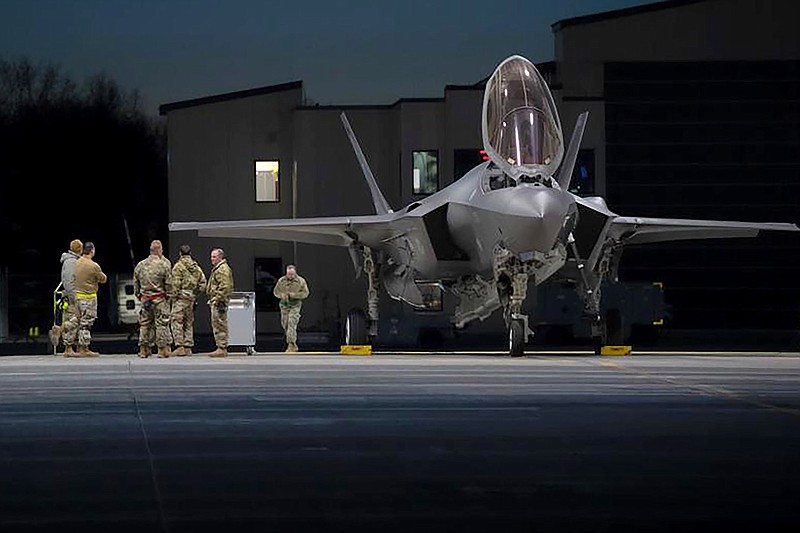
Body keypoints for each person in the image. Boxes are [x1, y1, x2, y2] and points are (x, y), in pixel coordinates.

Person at [64, 241, 107, 357]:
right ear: (92, 250)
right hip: (88, 298)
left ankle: (68, 345)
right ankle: (84, 348)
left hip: (77, 297)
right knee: (86, 324)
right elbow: (103, 279)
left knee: (75, 321)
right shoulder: (93, 265)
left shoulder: (76, 263)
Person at [134, 240, 173, 358]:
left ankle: (143, 349)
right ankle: (162, 350)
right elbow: (169, 284)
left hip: (145, 299)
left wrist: (139, 295)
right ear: (159, 250)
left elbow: (136, 283)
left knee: (145, 324)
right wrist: (168, 296)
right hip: (160, 299)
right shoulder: (164, 265)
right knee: (161, 324)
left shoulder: (140, 265)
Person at [169, 244, 206, 356]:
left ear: (180, 253)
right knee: (188, 322)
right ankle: (188, 347)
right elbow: (203, 284)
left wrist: (174, 297)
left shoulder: (178, 267)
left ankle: (180, 347)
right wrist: (195, 293)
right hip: (191, 299)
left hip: (180, 299)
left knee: (177, 321)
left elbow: (175, 286)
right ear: (190, 253)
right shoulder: (196, 268)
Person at [50, 239, 82, 355]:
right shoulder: (71, 262)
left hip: (72, 294)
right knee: (73, 319)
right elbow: (69, 282)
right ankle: (68, 348)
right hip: (72, 296)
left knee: (76, 320)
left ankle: (76, 347)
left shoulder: (72, 261)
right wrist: (74, 297)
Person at [273, 264, 310, 353]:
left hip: (295, 305)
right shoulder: (281, 281)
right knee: (285, 323)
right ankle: (293, 343)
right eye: (289, 274)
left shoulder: (301, 281)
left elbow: (306, 293)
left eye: (292, 274)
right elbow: (276, 291)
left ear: (295, 273)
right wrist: (281, 295)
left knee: (291, 323)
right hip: (284, 305)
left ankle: (291, 344)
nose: (291, 276)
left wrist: (295, 295)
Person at [206, 248, 233, 357]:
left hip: (219, 302)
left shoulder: (222, 270)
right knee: (217, 323)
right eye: (211, 256)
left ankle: (222, 347)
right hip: (217, 300)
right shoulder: (219, 268)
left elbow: (225, 287)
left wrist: (217, 299)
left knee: (219, 324)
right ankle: (220, 347)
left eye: (214, 257)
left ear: (220, 257)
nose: (212, 259)